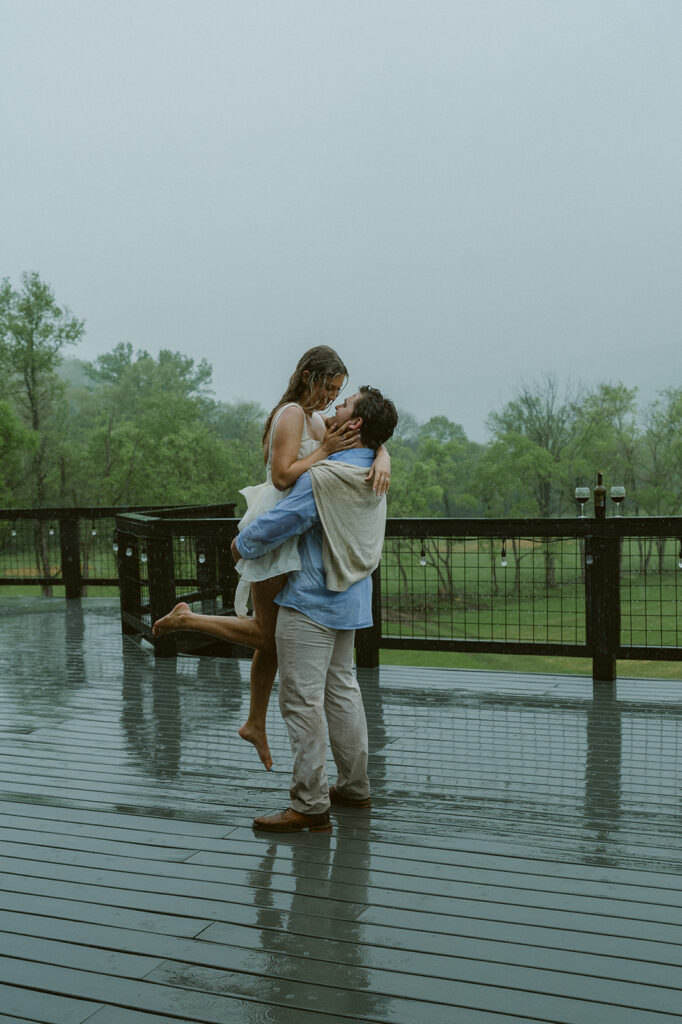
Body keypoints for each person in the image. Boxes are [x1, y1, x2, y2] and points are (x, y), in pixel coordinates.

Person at [152, 347, 391, 772]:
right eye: (330, 387)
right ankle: (189, 625)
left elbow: (361, 442)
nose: (334, 397)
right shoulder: (292, 413)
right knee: (269, 636)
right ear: (307, 377)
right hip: (275, 523)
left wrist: (383, 452)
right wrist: (322, 453)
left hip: (292, 532)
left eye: (341, 392)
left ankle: (253, 720)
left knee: (270, 638)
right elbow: (283, 475)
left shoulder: (319, 420)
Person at [231, 385, 398, 833]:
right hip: (352, 602)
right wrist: (382, 451)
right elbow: (375, 443)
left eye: (343, 405)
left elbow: (283, 520)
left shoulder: (326, 476)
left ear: (356, 424)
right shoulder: (373, 471)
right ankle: (355, 787)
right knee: (343, 693)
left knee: (301, 702)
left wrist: (240, 544)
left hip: (310, 602)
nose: (333, 409)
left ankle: (309, 804)